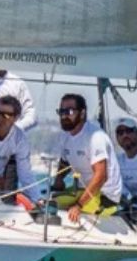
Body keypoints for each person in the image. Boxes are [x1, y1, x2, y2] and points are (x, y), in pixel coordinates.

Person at [51, 93, 123, 223]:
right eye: (61, 111)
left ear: (82, 113)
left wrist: (79, 206)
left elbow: (101, 176)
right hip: (84, 190)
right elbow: (65, 160)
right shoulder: (65, 135)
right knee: (49, 202)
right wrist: (59, 179)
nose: (64, 116)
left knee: (62, 209)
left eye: (69, 111)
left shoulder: (95, 137)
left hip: (105, 196)